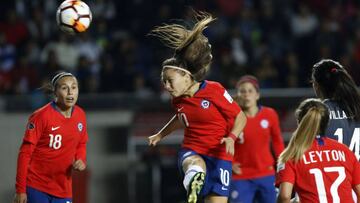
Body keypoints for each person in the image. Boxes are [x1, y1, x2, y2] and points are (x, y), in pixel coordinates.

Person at [148, 12, 247, 203]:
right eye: (164, 82)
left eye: (170, 81)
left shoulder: (214, 90)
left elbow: (239, 116)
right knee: (194, 164)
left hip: (219, 156)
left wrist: (232, 138)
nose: (166, 86)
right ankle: (193, 177)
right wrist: (160, 135)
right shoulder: (177, 100)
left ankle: (195, 178)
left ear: (186, 77)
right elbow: (181, 118)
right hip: (193, 150)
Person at [14, 71, 88, 203]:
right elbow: (25, 153)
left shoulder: (80, 115)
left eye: (74, 87)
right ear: (55, 93)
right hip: (37, 186)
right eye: (64, 88)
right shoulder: (41, 116)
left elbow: (81, 143)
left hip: (63, 189)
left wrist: (81, 159)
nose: (70, 92)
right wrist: (20, 190)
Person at [276, 98, 360, 203]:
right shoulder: (345, 151)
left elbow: (284, 196)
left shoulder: (292, 154)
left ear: (299, 122)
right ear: (327, 123)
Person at [230, 75, 285, 203]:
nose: (246, 95)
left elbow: (277, 142)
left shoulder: (270, 114)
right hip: (241, 176)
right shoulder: (231, 119)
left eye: (250, 91)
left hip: (266, 173)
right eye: (242, 91)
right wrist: (230, 163)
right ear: (237, 95)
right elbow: (222, 142)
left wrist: (282, 164)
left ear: (257, 95)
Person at [311, 59, 360, 160]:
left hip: (333, 173)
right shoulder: (357, 107)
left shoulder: (318, 113)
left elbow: (305, 155)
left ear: (316, 86)